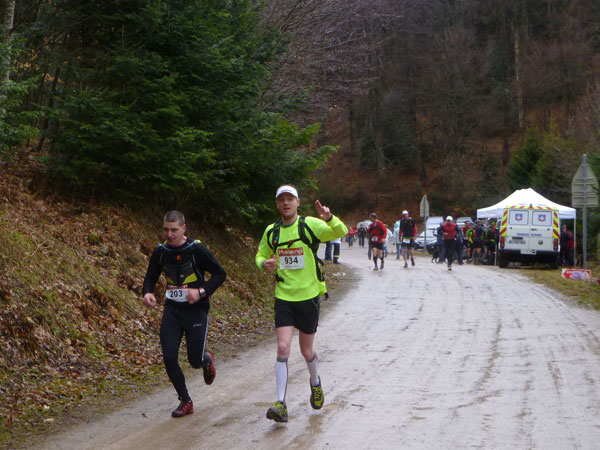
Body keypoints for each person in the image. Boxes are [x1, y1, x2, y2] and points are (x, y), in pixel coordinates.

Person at [255, 184, 347, 423]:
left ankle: (315, 383)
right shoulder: (272, 232)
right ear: (277, 204)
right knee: (283, 347)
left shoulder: (310, 225)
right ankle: (281, 403)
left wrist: (329, 217)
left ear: (297, 202)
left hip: (308, 297)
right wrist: (264, 264)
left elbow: (341, 231)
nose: (286, 203)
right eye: (281, 200)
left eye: (290, 199)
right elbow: (260, 255)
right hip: (284, 297)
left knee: (306, 350)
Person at [142, 210, 227, 418]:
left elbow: (220, 274)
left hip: (196, 311)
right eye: (166, 230)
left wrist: (201, 292)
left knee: (195, 361)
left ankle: (206, 360)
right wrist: (147, 293)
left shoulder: (197, 250)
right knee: (169, 357)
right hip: (172, 311)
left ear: (184, 229)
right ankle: (185, 400)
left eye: (174, 230)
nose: (169, 234)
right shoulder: (161, 252)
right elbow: (150, 277)